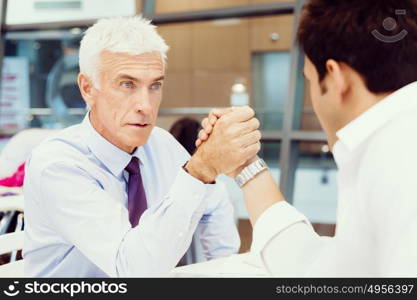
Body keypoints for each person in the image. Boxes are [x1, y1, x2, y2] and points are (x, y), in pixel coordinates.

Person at [23, 16, 262, 277]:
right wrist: (201, 169)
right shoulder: (58, 165)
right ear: (88, 88)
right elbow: (132, 269)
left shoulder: (161, 144)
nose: (146, 106)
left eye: (155, 85)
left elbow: (213, 205)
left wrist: (222, 269)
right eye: (127, 84)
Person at [198, 0, 417, 276]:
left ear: (337, 78)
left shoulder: (398, 159)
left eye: (310, 80)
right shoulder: (392, 142)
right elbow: (326, 270)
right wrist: (246, 166)